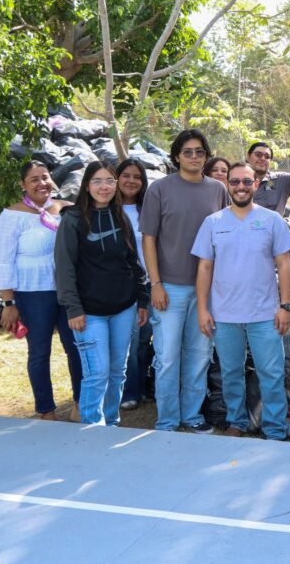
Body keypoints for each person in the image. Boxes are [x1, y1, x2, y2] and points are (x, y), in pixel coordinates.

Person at [193, 162, 290, 440]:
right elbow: (204, 268)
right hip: (225, 315)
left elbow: (284, 266)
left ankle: (274, 428)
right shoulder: (213, 223)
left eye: (246, 182)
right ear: (228, 184)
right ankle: (236, 421)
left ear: (256, 185)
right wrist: (203, 309)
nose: (241, 187)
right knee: (230, 373)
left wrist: (285, 306)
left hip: (264, 313)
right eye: (235, 181)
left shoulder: (272, 220)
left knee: (271, 374)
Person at [141, 129, 229, 433]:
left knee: (200, 355)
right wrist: (155, 284)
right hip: (170, 289)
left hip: (207, 292)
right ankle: (167, 420)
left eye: (200, 151)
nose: (194, 157)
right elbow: (148, 239)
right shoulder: (160, 189)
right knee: (166, 357)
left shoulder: (218, 190)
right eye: (188, 151)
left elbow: (226, 237)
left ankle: (191, 416)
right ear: (176, 156)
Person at [54, 162, 150, 426]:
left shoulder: (120, 216)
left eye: (109, 180)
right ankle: (91, 429)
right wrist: (73, 308)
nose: (104, 186)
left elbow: (133, 261)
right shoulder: (72, 219)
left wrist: (142, 299)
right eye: (97, 181)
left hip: (124, 307)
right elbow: (64, 269)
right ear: (87, 185)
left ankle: (111, 423)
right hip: (88, 312)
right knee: (97, 373)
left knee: (118, 372)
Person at [0, 161, 82, 421]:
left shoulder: (67, 210)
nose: (42, 183)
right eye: (34, 179)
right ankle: (46, 409)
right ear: (23, 185)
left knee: (76, 347)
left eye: (45, 177)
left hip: (67, 292)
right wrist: (9, 303)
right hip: (33, 295)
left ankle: (80, 402)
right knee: (40, 351)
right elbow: (2, 260)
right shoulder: (12, 216)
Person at [116, 158, 153, 411]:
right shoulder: (109, 209)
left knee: (145, 339)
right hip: (122, 286)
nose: (131, 181)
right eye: (126, 176)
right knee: (129, 339)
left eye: (137, 177)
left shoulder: (148, 209)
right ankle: (128, 391)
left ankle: (143, 386)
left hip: (150, 284)